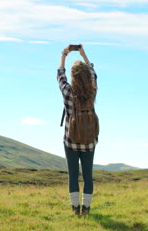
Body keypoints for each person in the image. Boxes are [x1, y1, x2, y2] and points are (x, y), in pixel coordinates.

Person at [57, 44, 98, 216]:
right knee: (87, 176)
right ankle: (86, 209)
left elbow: (60, 75)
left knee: (73, 175)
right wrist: (84, 54)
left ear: (73, 76)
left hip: (71, 141)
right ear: (87, 77)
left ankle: (75, 209)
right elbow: (94, 74)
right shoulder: (92, 92)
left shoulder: (68, 92)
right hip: (89, 141)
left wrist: (64, 54)